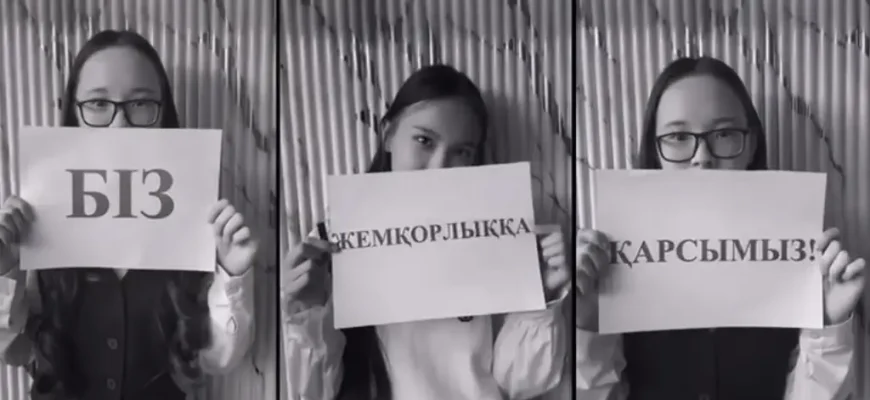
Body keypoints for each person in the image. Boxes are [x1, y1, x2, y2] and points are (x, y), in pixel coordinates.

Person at [575, 56, 865, 400]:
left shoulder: (798, 257)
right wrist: (588, 323)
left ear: (751, 144)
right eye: (678, 136)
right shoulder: (614, 260)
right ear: (655, 151)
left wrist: (829, 326)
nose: (702, 157)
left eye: (724, 133)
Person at [284, 64, 570, 400]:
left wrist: (539, 299)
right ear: (388, 134)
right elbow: (312, 391)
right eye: (424, 141)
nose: (439, 166)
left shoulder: (495, 236)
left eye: (461, 152)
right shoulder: (331, 244)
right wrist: (309, 310)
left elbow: (522, 385)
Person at [0, 30, 258, 400]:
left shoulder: (194, 218)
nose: (120, 125)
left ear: (163, 113)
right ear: (73, 113)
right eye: (98, 103)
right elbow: (11, 349)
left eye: (140, 104)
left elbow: (218, 359)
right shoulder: (39, 216)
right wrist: (6, 270)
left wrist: (233, 275)